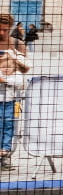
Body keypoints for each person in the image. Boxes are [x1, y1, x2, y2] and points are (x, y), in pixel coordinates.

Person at [0, 12, 30, 169]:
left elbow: (25, 70)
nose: (2, 33)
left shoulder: (18, 44)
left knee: (8, 125)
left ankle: (5, 157)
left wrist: (13, 65)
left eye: (5, 29)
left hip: (10, 94)